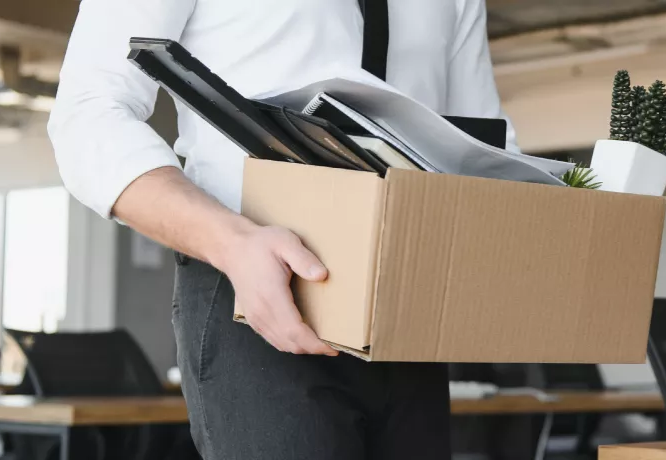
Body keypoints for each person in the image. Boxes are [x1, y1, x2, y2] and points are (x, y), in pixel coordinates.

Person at [48, 1, 517, 458]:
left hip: (407, 309)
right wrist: (231, 243)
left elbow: (483, 149)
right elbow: (89, 113)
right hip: (253, 291)